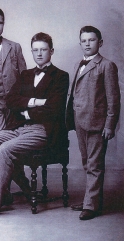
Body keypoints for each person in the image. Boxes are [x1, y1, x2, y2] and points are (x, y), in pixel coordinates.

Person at [0, 32, 69, 220]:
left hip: (43, 131)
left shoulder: (61, 77)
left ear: (51, 51)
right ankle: (2, 195)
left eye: (43, 50)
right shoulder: (25, 75)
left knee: (5, 149)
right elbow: (11, 100)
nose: (39, 54)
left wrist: (25, 108)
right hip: (18, 128)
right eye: (35, 50)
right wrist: (36, 102)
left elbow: (54, 109)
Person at [66, 26, 120, 220]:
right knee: (86, 163)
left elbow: (113, 98)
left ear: (100, 43)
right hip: (80, 121)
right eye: (84, 40)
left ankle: (91, 205)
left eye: (91, 40)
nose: (87, 43)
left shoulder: (106, 65)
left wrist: (109, 125)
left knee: (95, 164)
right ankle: (92, 199)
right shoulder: (77, 64)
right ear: (80, 43)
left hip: (97, 123)